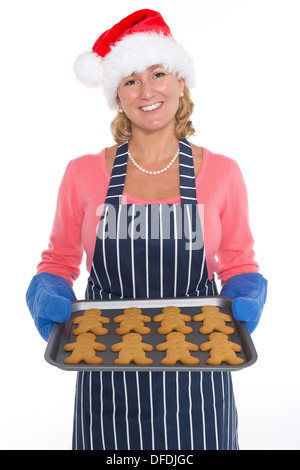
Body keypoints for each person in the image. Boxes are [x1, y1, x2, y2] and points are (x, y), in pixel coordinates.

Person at [26, 9, 267, 450]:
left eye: (158, 73)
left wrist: (248, 289)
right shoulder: (81, 174)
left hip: (199, 384)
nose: (147, 90)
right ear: (117, 95)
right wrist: (48, 288)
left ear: (180, 83)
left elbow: (238, 261)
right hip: (107, 381)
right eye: (131, 80)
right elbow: (60, 260)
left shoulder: (222, 173)